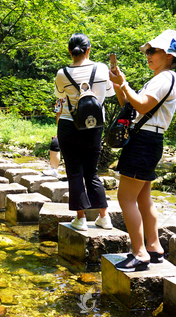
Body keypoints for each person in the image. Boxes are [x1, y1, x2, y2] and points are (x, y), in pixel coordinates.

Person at [109, 30, 176, 272]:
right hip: (150, 141)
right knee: (143, 197)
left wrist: (124, 84)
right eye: (148, 51)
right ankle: (154, 248)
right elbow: (130, 105)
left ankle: (139, 253)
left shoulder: (164, 78)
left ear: (169, 55)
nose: (149, 55)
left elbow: (141, 104)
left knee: (125, 198)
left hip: (143, 142)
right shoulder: (164, 78)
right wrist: (118, 84)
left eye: (154, 51)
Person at [54, 33, 114, 232]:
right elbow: (111, 92)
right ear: (89, 50)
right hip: (94, 126)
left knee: (74, 173)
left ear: (70, 52)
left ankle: (80, 219)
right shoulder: (102, 68)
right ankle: (104, 217)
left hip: (69, 125)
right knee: (92, 172)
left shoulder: (62, 73)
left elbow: (60, 96)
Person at [44, 98, 65, 178]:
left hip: (82, 128)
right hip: (66, 127)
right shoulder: (60, 98)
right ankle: (54, 169)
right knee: (55, 142)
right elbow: (58, 114)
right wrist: (60, 131)